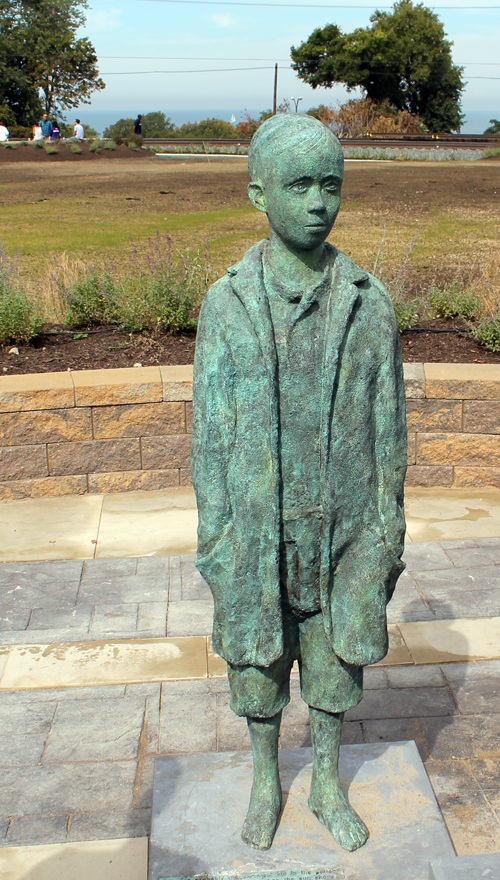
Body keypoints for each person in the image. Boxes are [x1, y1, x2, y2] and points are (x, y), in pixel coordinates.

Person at [191, 114, 407, 853]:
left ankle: (322, 779)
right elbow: (208, 431)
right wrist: (216, 532)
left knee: (334, 657)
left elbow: (389, 427)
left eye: (331, 186)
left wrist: (387, 527)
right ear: (258, 194)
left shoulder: (367, 303)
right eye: (299, 185)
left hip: (343, 526)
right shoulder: (227, 304)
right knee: (258, 661)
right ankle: (262, 779)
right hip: (257, 527)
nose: (319, 202)